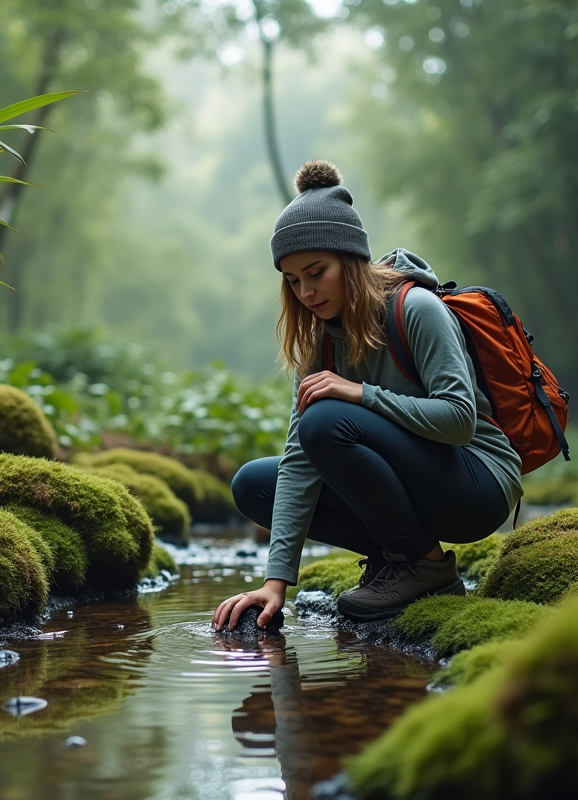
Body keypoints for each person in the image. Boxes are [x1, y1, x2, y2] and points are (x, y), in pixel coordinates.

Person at [212, 160, 522, 630]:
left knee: (326, 419)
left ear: (351, 260)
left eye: (316, 272)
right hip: (414, 488)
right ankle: (395, 557)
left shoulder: (416, 308)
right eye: (294, 281)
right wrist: (276, 582)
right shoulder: (317, 344)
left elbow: (460, 419)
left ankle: (428, 568)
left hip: (476, 484)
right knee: (254, 484)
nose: (306, 292)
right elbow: (299, 460)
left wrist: (362, 394)